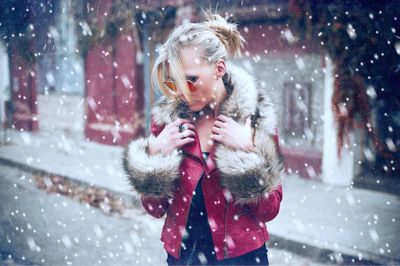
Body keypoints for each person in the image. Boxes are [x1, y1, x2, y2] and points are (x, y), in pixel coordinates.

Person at [123, 12, 284, 266]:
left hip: (242, 259)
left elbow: (270, 209)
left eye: (191, 80)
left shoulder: (253, 119)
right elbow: (154, 208)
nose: (184, 92)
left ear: (219, 68)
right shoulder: (168, 124)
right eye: (176, 82)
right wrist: (155, 154)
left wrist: (249, 150)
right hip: (184, 257)